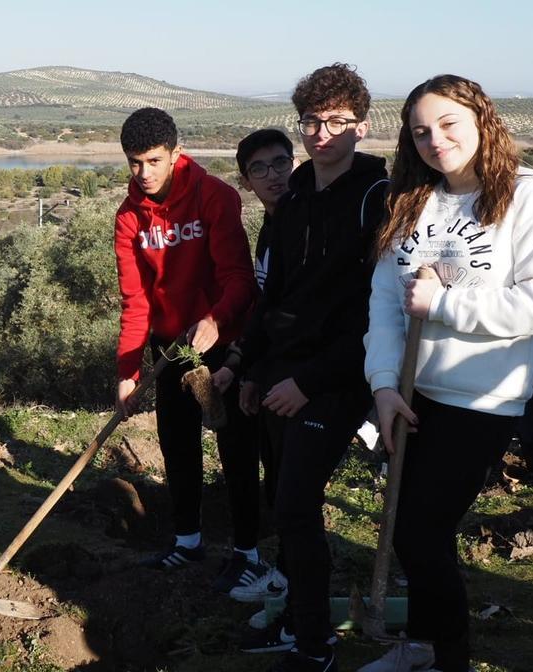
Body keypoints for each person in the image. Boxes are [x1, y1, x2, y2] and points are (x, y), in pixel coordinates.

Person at [362, 75, 533, 672]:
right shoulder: (413, 199)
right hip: (410, 391)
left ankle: (443, 656)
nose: (436, 140)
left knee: (421, 530)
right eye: (421, 131)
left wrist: (445, 305)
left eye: (449, 123)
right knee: (410, 527)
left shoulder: (529, 197)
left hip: (482, 397)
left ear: (482, 120)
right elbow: (384, 300)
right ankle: (422, 647)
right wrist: (381, 383)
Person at [236, 64, 389, 672]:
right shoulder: (295, 196)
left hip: (336, 378)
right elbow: (276, 297)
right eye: (311, 121)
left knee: (297, 503)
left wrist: (310, 383)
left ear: (360, 125)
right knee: (286, 505)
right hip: (281, 373)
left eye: (335, 121)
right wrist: (252, 368)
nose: (321, 133)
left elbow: (372, 314)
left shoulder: (378, 198)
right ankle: (300, 623)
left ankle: (316, 644)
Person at [112, 107, 257, 576]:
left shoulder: (215, 197)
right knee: (177, 442)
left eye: (154, 161)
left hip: (223, 341)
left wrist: (217, 318)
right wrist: (128, 373)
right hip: (170, 346)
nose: (144, 173)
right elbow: (135, 302)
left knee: (235, 447)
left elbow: (238, 276)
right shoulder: (129, 217)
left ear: (176, 153)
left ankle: (248, 551)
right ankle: (187, 540)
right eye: (135, 162)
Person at [209, 129, 295, 601]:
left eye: (279, 163)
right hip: (267, 368)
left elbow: (295, 311)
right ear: (246, 180)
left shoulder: (300, 223)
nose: (272, 176)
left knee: (289, 482)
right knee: (275, 475)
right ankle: (273, 567)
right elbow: (265, 308)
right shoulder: (269, 227)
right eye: (259, 169)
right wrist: (244, 365)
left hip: (296, 376)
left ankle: (287, 582)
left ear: (293, 163)